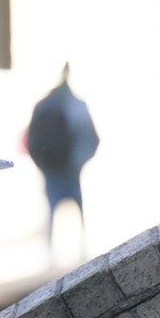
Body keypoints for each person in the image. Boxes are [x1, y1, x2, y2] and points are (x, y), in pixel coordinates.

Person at [26, 63, 100, 251]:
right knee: (77, 212)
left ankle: (49, 254)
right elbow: (92, 139)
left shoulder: (42, 106)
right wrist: (78, 163)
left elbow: (31, 141)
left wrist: (43, 166)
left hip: (51, 169)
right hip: (69, 170)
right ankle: (81, 250)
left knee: (51, 213)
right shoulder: (76, 106)